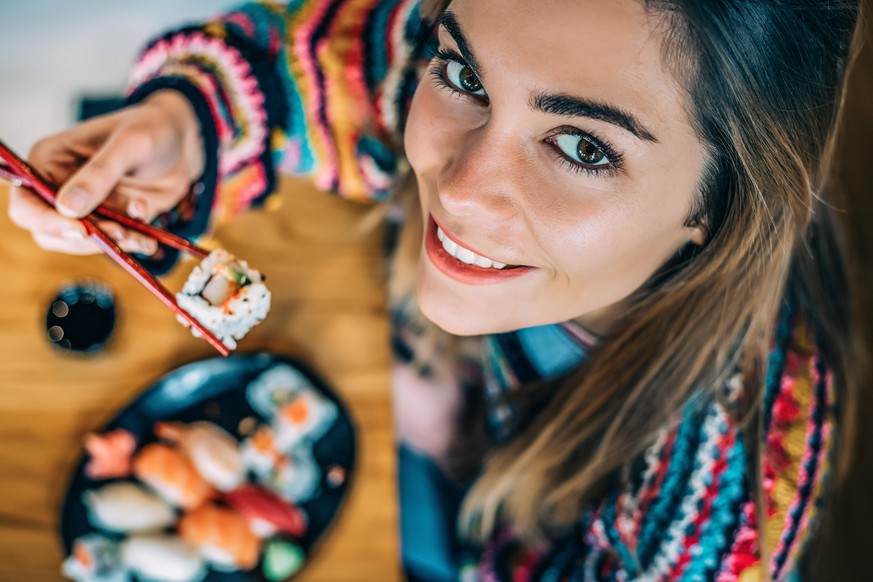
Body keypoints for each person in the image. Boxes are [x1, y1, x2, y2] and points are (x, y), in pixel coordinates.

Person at [7, 0, 863, 579]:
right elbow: (302, 64)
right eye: (465, 78)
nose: (455, 190)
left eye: (585, 148)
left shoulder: (721, 505)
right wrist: (184, 124)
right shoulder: (485, 27)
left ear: (720, 203)